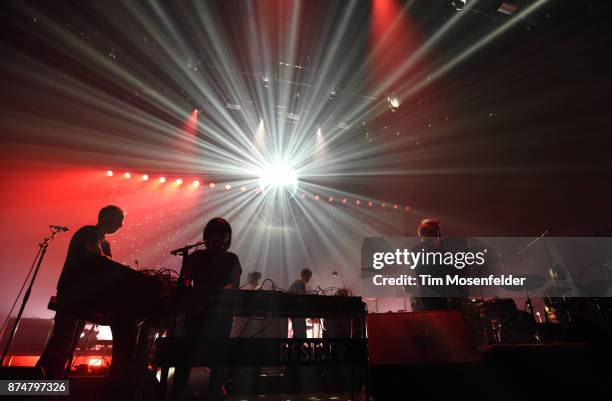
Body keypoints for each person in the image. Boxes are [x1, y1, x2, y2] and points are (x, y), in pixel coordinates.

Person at [37, 205, 139, 399]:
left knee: (67, 343)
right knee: (62, 342)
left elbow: (106, 269)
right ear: (107, 217)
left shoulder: (105, 242)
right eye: (119, 220)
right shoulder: (89, 232)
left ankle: (49, 388)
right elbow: (98, 259)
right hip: (73, 294)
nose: (121, 226)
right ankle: (40, 387)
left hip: (85, 298)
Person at [171, 217, 242, 401]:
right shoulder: (231, 259)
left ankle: (179, 392)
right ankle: (212, 392)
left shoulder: (196, 257)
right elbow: (233, 287)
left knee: (186, 356)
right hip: (218, 316)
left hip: (197, 314)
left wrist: (197, 293)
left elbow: (185, 284)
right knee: (217, 356)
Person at [288, 268, 312, 338]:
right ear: (305, 275)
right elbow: (302, 298)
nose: (309, 279)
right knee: (301, 334)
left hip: (294, 311)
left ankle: (295, 347)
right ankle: (299, 348)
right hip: (297, 312)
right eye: (309, 277)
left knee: (297, 333)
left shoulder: (296, 282)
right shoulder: (301, 283)